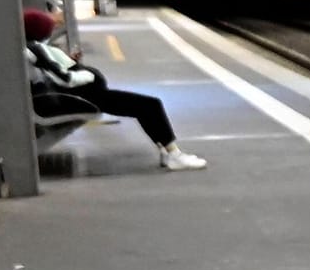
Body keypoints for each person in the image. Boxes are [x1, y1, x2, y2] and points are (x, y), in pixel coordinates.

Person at [23, 9, 207, 171]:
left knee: (145, 106)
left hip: (80, 95)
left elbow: (57, 72)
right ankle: (173, 154)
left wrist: (71, 62)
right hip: (85, 97)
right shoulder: (39, 50)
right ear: (41, 31)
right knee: (150, 105)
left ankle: (167, 150)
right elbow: (66, 78)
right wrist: (90, 75)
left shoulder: (34, 49)